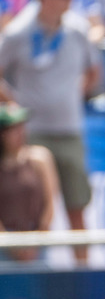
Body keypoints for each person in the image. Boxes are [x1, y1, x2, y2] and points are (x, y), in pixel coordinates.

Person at [0, 0, 100, 262]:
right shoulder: (18, 32)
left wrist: (70, 96)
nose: (68, 0)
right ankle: (28, 278)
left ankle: (83, 277)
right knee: (28, 208)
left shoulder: (78, 29)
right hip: (31, 132)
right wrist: (15, 103)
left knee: (76, 205)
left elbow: (93, 72)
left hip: (68, 128)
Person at [0, 102, 60, 262]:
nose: (20, 132)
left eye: (22, 126)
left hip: (38, 241)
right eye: (13, 128)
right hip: (4, 247)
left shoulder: (40, 158)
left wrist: (37, 241)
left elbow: (50, 205)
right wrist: (10, 245)